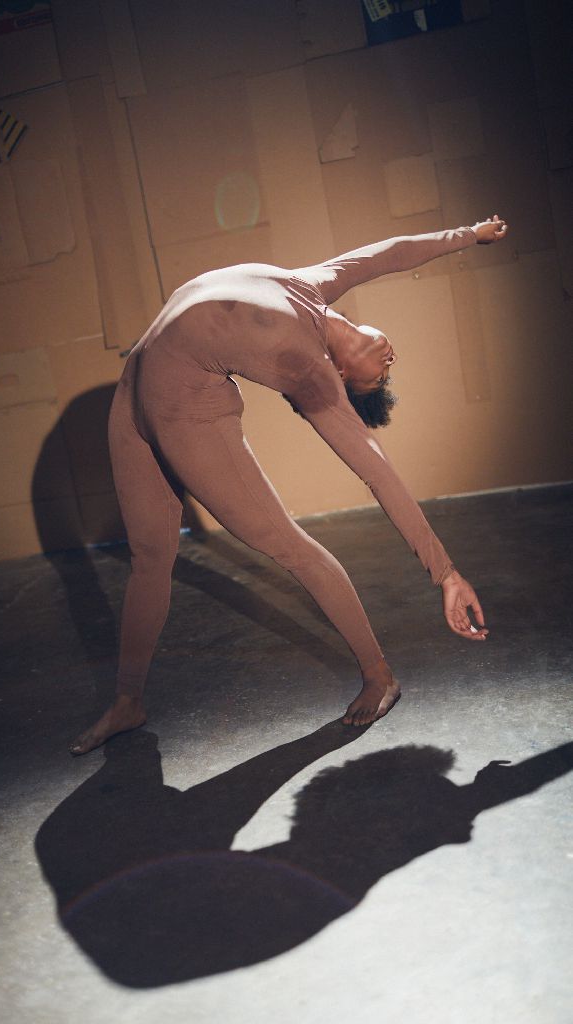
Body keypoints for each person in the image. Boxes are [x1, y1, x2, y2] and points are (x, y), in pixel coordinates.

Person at [70, 214, 508, 755]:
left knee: (291, 549)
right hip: (132, 399)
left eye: (379, 379)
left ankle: (378, 675)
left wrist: (445, 573)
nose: (390, 362)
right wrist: (469, 236)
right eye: (386, 373)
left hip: (189, 416)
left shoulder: (308, 370)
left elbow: (376, 471)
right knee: (149, 558)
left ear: (340, 378)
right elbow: (389, 253)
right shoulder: (310, 286)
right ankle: (127, 701)